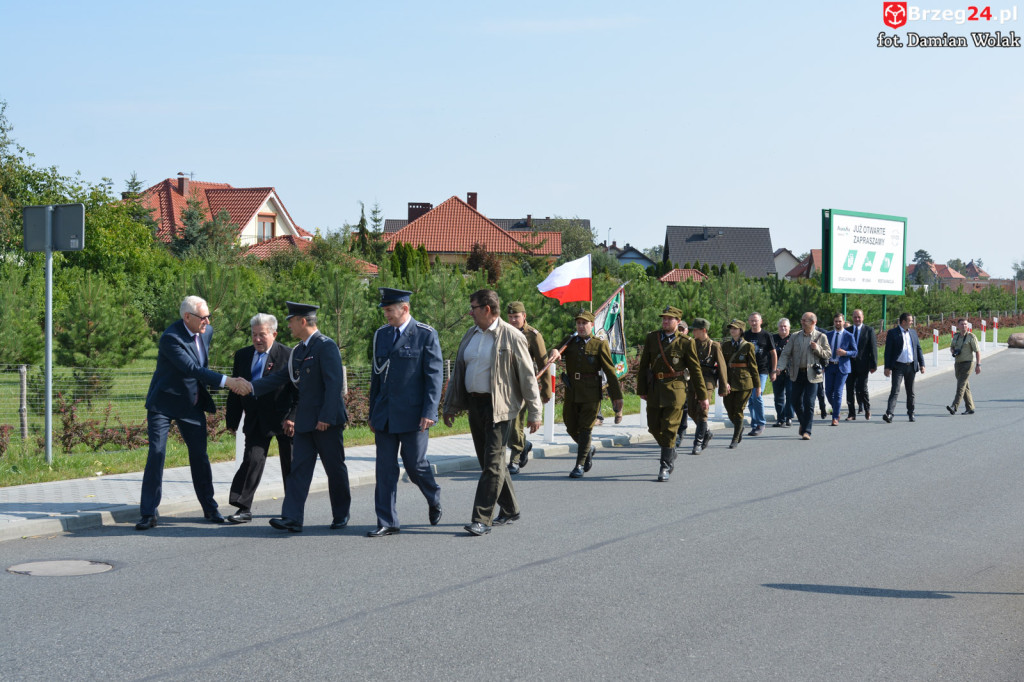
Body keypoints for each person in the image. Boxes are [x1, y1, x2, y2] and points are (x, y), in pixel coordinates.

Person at [136, 296, 251, 531]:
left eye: (209, 316)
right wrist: (228, 381)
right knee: (157, 453)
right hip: (163, 404)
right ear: (187, 317)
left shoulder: (206, 332)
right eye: (203, 317)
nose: (208, 321)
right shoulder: (171, 338)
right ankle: (148, 513)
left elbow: (200, 368)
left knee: (200, 456)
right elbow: (192, 368)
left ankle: (210, 508)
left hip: (191, 404)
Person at [442, 289, 542, 536]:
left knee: (493, 462)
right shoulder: (471, 334)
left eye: (473, 307)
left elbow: (528, 376)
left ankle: (481, 519)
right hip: (475, 405)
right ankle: (510, 508)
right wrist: (450, 405)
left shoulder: (511, 336)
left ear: (487, 309)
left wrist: (534, 412)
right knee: (489, 461)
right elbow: (459, 373)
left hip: (501, 408)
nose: (470, 312)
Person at [253, 302, 351, 532]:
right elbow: (282, 377)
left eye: (291, 321)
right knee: (298, 470)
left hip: (327, 422)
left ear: (303, 321)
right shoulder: (299, 350)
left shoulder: (326, 346)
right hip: (306, 422)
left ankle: (341, 514)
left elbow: (334, 384)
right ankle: (292, 518)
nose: (289, 326)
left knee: (334, 469)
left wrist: (326, 416)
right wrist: (251, 387)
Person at [366, 288, 444, 537]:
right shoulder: (381, 335)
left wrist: (430, 411)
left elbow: (434, 377)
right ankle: (387, 521)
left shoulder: (425, 334)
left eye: (390, 310)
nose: (386, 314)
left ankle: (433, 495)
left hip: (414, 415)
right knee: (384, 468)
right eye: (385, 310)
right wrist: (372, 412)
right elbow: (376, 376)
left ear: (405, 309)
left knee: (415, 465)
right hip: (385, 414)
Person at [224, 313, 296, 524]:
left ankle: (292, 510)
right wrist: (232, 420)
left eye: (262, 335)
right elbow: (234, 389)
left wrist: (293, 417)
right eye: (254, 335)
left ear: (274, 333)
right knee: (252, 460)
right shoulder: (243, 355)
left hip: (284, 419)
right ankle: (243, 507)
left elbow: (298, 390)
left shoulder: (288, 355)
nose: (257, 339)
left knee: (290, 464)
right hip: (256, 418)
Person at [548, 311, 624, 478]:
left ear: (591, 325)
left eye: (584, 323)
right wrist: (554, 351)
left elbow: (610, 372)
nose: (581, 326)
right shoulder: (571, 341)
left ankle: (580, 464)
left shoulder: (599, 344)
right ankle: (588, 448)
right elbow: (555, 350)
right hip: (572, 390)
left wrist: (617, 396)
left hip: (591, 392)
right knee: (570, 425)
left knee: (585, 429)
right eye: (578, 323)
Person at [637, 306, 707, 481]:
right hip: (655, 389)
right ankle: (670, 451)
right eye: (664, 318)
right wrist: (642, 389)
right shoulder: (652, 338)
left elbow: (695, 370)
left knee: (669, 428)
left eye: (669, 319)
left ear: (677, 322)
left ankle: (665, 466)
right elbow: (644, 365)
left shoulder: (685, 342)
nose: (665, 321)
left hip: (676, 390)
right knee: (653, 427)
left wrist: (703, 396)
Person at [505, 301, 551, 475]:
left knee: (515, 422)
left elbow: (543, 363)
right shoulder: (504, 332)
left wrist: (546, 390)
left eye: (516, 317)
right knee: (506, 424)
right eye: (510, 317)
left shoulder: (533, 335)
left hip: (523, 384)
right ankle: (524, 445)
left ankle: (515, 459)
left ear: (524, 316)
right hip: (505, 384)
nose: (513, 320)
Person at [774, 312, 831, 441]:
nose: (802, 322)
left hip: (813, 375)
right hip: (797, 373)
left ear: (813, 322)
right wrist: (780, 367)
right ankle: (803, 422)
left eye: (805, 320)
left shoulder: (821, 337)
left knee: (809, 403)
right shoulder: (795, 337)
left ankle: (807, 431)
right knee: (795, 401)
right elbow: (786, 354)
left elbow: (828, 354)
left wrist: (817, 349)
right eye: (802, 319)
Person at [686, 318, 728, 456]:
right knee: (691, 410)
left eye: (695, 329)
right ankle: (707, 432)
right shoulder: (691, 344)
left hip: (708, 381)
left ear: (703, 330)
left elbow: (722, 367)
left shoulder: (714, 346)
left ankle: (697, 443)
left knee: (702, 411)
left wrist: (722, 387)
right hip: (693, 381)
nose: (693, 332)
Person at [882, 313, 926, 423]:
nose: (912, 322)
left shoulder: (913, 333)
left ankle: (911, 413)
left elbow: (918, 349)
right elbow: (888, 352)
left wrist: (922, 364)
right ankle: (889, 413)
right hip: (898, 366)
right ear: (903, 322)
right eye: (910, 320)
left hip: (911, 366)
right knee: (895, 390)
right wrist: (887, 367)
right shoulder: (893, 333)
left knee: (910, 391)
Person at [722, 319, 758, 449]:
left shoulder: (748, 346)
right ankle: (739, 426)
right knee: (729, 408)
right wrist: (723, 381)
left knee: (738, 410)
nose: (732, 330)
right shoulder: (725, 345)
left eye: (735, 328)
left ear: (741, 330)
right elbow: (722, 365)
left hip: (744, 382)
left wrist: (757, 385)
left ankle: (735, 438)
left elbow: (753, 366)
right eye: (731, 328)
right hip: (729, 381)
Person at [743, 312, 776, 437]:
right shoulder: (746, 335)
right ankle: (754, 423)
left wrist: (773, 370)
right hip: (748, 371)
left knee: (757, 395)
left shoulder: (766, 335)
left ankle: (761, 423)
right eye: (751, 320)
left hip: (762, 370)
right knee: (750, 400)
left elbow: (773, 353)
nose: (753, 322)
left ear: (760, 321)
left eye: (756, 320)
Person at [824, 313, 857, 427]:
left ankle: (835, 417)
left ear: (843, 322)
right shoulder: (828, 335)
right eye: (836, 321)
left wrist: (845, 353)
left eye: (839, 321)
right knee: (828, 392)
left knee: (838, 392)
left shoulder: (849, 335)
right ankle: (836, 409)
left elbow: (855, 352)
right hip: (830, 366)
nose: (838, 323)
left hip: (842, 367)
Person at [844, 309, 878, 420]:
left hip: (863, 365)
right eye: (855, 317)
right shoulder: (847, 330)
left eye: (859, 317)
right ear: (852, 318)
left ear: (862, 317)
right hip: (849, 365)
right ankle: (851, 413)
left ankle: (867, 409)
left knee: (862, 388)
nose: (857, 319)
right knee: (849, 389)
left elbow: (873, 349)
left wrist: (874, 365)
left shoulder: (869, 330)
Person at [946, 318, 981, 416]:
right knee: (965, 386)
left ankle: (954, 406)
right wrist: (953, 351)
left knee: (960, 386)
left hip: (968, 363)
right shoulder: (956, 336)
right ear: (958, 326)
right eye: (961, 324)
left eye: (965, 324)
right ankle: (970, 408)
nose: (964, 326)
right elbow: (952, 347)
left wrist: (978, 365)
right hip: (958, 363)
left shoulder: (971, 337)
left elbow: (977, 351)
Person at [770, 318, 794, 428]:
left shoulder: (793, 338)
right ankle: (780, 418)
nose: (783, 328)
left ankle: (789, 417)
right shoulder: (773, 339)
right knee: (778, 396)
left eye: (785, 326)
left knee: (790, 394)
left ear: (789, 328)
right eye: (781, 326)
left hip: (791, 371)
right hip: (777, 372)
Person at [673, 319, 692, 447]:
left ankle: (681, 430)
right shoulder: (672, 342)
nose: (680, 331)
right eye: (678, 329)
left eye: (682, 329)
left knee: (684, 407)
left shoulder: (690, 343)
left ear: (687, 331)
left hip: (688, 379)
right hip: (673, 380)